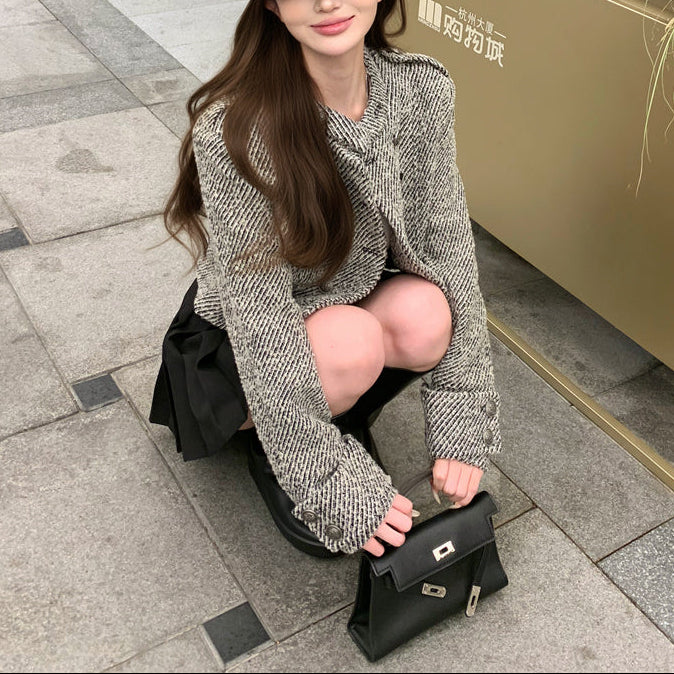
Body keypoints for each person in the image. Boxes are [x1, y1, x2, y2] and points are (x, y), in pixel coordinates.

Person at [149, 0, 502, 559]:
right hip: (239, 348)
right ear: (272, 4)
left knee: (427, 313)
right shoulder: (238, 127)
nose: (327, 2)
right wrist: (327, 479)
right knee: (351, 341)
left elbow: (450, 252)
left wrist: (462, 419)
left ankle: (336, 407)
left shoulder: (419, 90)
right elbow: (260, 317)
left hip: (343, 301)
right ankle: (278, 444)